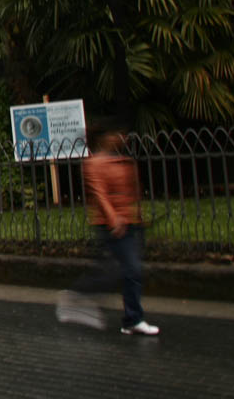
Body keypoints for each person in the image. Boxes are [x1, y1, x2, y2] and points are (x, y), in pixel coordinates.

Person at [56, 122, 159, 336]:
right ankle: (79, 295)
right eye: (115, 134)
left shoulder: (123, 159)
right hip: (110, 225)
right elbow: (99, 194)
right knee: (127, 270)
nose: (121, 137)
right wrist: (114, 220)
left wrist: (138, 217)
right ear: (104, 137)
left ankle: (132, 318)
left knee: (123, 271)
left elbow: (132, 192)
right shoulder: (94, 163)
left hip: (130, 223)